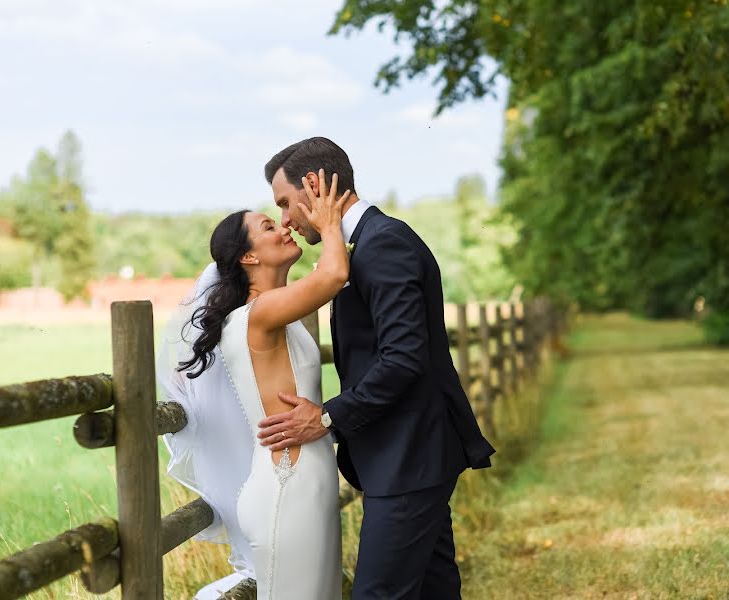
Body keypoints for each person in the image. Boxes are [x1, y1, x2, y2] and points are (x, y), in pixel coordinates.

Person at [256, 137, 496, 599]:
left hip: (410, 455)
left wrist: (325, 417)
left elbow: (403, 359)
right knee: (434, 589)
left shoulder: (383, 244)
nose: (285, 219)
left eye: (285, 203)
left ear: (314, 185)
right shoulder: (355, 248)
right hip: (404, 456)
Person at [159, 170, 351, 599]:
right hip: (288, 488)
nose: (284, 225)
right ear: (248, 258)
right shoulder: (258, 314)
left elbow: (328, 275)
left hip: (310, 484)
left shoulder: (277, 309)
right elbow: (334, 274)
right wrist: (328, 220)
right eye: (269, 226)